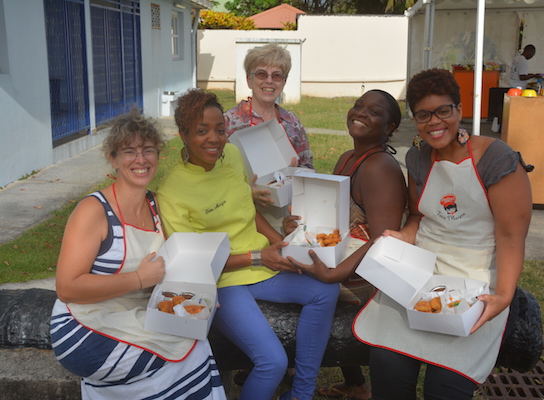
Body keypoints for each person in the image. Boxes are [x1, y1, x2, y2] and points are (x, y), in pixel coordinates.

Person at [352, 68, 533, 400]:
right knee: (388, 366)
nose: (434, 122)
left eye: (443, 111)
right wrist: (403, 235)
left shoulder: (497, 160)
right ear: (415, 120)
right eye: (424, 115)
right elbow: (421, 215)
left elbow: (511, 236)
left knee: (445, 387)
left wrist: (504, 295)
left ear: (459, 110)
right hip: (421, 275)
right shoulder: (418, 159)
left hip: (477, 280)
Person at [156, 89, 340, 400]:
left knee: (325, 290)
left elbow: (247, 207)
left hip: (262, 261)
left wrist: (276, 240)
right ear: (183, 134)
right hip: (223, 281)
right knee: (272, 362)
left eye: (220, 129)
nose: (214, 139)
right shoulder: (172, 192)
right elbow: (193, 262)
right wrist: (258, 257)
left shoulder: (233, 155)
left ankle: (301, 394)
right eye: (202, 131)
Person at [50, 108, 226, 400]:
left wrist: (195, 299)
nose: (141, 160)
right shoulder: (93, 211)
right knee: (190, 350)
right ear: (114, 159)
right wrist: (138, 279)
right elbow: (67, 288)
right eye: (129, 151)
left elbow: (169, 272)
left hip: (132, 317)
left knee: (194, 336)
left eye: (148, 150)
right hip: (83, 327)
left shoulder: (156, 206)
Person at [285, 90, 408, 400]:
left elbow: (385, 239)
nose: (362, 113)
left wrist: (334, 274)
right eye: (358, 106)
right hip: (345, 259)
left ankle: (290, 372)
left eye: (375, 112)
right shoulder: (348, 158)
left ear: (390, 127)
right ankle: (354, 383)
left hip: (367, 277)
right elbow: (332, 217)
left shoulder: (381, 168)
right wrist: (297, 226)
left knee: (281, 281)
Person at [225, 43, 313, 209]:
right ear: (249, 80)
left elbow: (307, 166)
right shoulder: (229, 122)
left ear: (284, 82)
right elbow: (216, 174)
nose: (269, 81)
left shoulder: (291, 122)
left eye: (277, 76)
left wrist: (295, 175)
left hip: (286, 209)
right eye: (261, 74)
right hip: (241, 210)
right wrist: (245, 191)